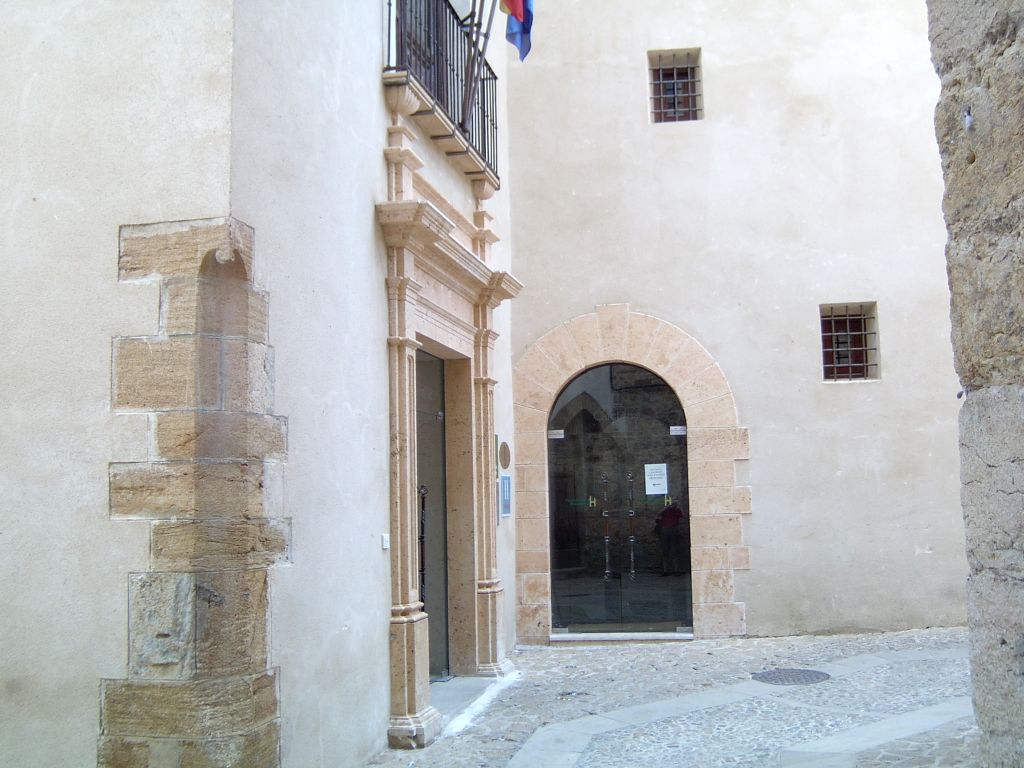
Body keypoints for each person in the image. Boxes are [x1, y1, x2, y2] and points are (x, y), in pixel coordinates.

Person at [655, 503, 690, 575]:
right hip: (667, 530)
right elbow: (658, 515)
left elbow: (682, 515)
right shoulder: (666, 510)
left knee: (674, 551)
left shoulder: (676, 510)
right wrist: (665, 508)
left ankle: (675, 570)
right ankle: (666, 570)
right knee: (665, 551)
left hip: (673, 529)